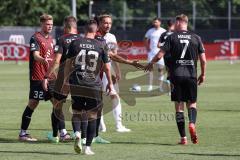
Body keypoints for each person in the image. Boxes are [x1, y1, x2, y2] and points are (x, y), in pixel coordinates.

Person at [145, 14, 207, 145]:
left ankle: (183, 138)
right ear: (187, 23)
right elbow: (203, 60)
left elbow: (160, 54)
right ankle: (192, 123)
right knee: (192, 104)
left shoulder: (172, 37)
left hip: (176, 76)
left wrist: (150, 64)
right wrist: (203, 74)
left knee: (179, 107)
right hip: (191, 75)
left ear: (179, 22)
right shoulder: (196, 37)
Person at [63, 19, 113, 155]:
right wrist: (111, 84)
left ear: (85, 29)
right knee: (92, 115)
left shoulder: (75, 43)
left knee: (77, 112)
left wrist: (66, 81)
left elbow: (68, 64)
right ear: (96, 30)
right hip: (94, 84)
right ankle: (88, 148)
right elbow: (107, 68)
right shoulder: (101, 44)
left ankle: (77, 133)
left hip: (77, 81)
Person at [43, 16, 81, 142]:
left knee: (57, 106)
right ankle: (78, 134)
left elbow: (56, 61)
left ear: (65, 27)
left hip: (64, 78)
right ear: (75, 27)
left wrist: (47, 76)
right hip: (80, 78)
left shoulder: (62, 39)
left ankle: (60, 134)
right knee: (77, 108)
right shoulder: (82, 40)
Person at [18, 14, 55, 141]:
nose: (50, 26)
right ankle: (23, 133)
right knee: (33, 103)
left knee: (57, 102)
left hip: (48, 77)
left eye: (51, 24)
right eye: (47, 24)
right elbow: (35, 55)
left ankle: (61, 133)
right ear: (42, 24)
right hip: (38, 77)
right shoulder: (36, 38)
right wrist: (43, 60)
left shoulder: (51, 39)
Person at [97, 14, 131, 136]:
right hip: (96, 71)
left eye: (110, 23)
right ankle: (101, 126)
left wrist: (117, 70)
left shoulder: (112, 37)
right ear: (99, 23)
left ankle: (119, 125)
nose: (108, 25)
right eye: (105, 23)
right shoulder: (95, 35)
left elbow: (114, 54)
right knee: (98, 98)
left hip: (108, 70)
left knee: (114, 96)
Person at [144, 18, 166, 92]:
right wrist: (147, 48)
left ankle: (160, 87)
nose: (154, 23)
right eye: (154, 22)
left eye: (156, 22)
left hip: (160, 53)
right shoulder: (150, 31)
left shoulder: (163, 31)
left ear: (160, 22)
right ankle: (150, 86)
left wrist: (164, 49)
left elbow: (167, 41)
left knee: (161, 70)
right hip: (152, 53)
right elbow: (145, 39)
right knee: (150, 69)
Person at [158, 19, 175, 95]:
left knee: (169, 72)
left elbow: (158, 45)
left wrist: (165, 46)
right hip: (175, 55)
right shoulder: (176, 34)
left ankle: (169, 90)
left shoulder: (163, 34)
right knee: (174, 73)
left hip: (166, 56)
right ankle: (172, 89)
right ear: (174, 24)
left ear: (167, 25)